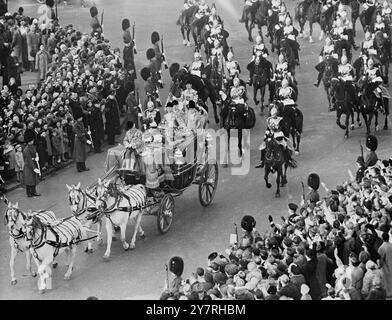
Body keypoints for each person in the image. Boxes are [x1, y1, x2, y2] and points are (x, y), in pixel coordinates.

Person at [23, 130, 40, 197]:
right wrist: (34, 168)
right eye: (32, 140)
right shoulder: (26, 149)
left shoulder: (32, 146)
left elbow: (35, 152)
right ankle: (29, 193)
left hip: (33, 164)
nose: (33, 141)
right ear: (29, 141)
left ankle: (33, 191)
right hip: (29, 166)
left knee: (33, 179)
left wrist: (37, 157)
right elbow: (29, 160)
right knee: (29, 180)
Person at [73, 108, 91, 173]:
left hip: (81, 140)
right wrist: (86, 140)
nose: (81, 118)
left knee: (82, 154)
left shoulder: (80, 123)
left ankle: (83, 167)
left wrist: (87, 133)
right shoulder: (76, 125)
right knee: (79, 155)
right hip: (79, 141)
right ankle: (80, 168)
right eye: (80, 117)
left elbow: (83, 130)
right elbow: (80, 135)